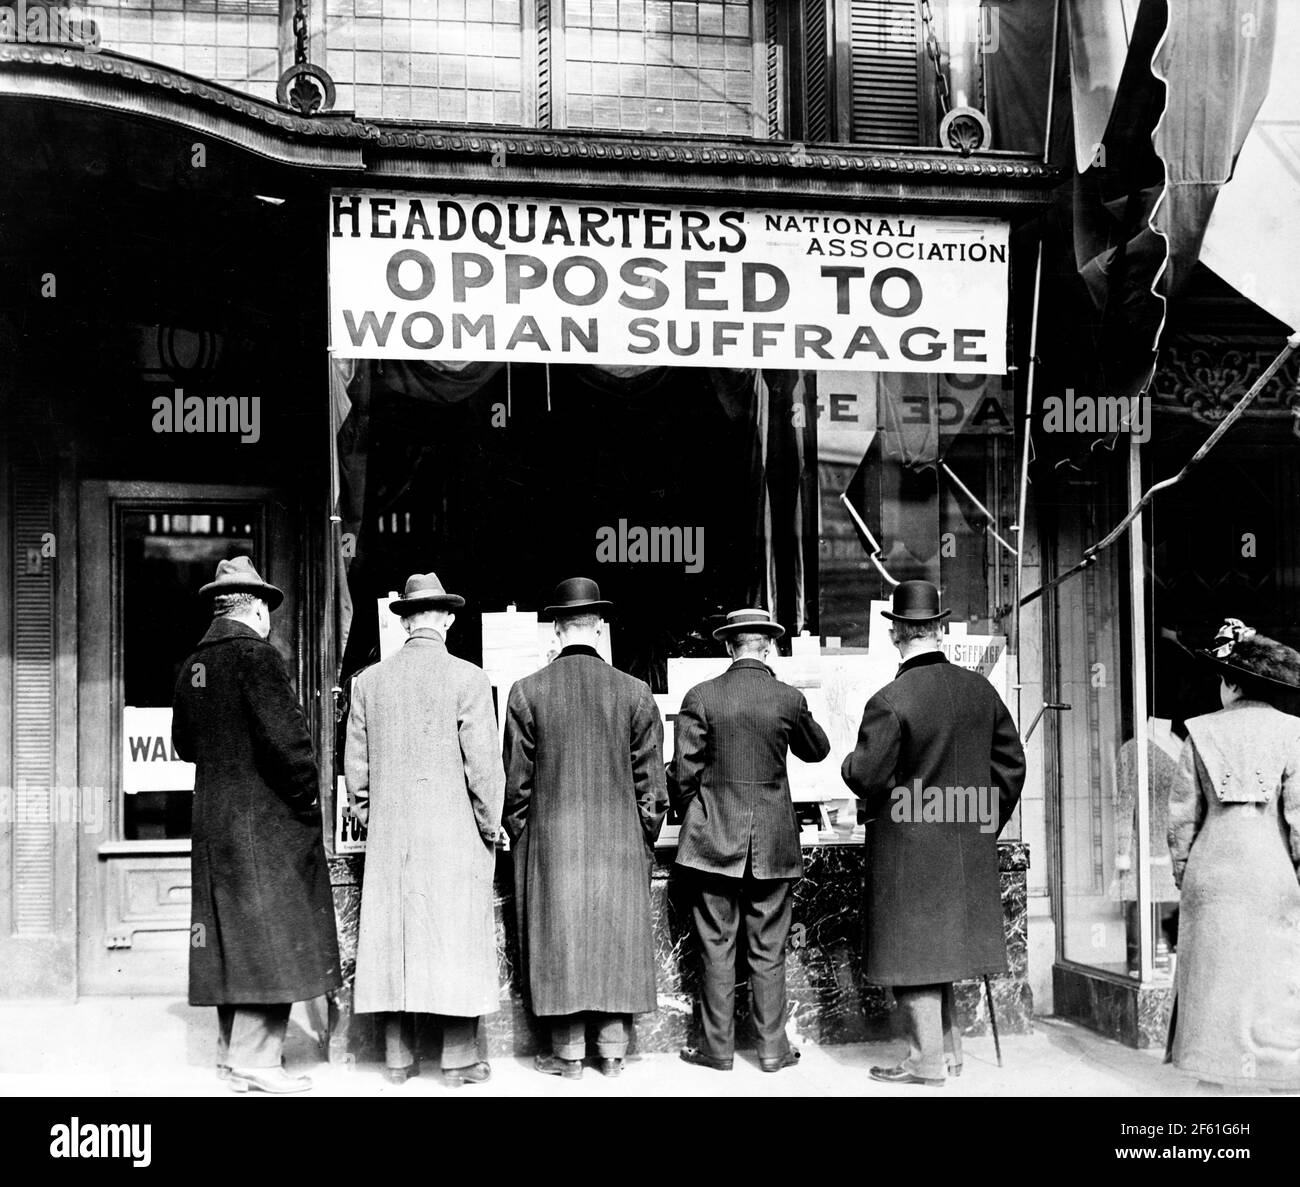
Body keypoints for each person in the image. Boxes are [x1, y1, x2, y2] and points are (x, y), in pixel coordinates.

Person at [840, 579, 1025, 1087]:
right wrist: (981, 823)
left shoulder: (890, 700)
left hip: (907, 847)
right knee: (944, 950)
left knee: (914, 954)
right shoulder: (979, 690)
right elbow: (1011, 766)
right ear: (941, 630)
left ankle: (925, 1063)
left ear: (896, 633)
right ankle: (952, 1055)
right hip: (965, 842)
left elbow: (867, 775)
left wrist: (847, 764)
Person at [171, 556, 341, 1094]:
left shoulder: (193, 664)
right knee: (272, 938)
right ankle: (257, 1063)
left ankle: (232, 1055)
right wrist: (306, 803)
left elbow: (183, 744)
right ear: (260, 610)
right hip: (265, 825)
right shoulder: (257, 657)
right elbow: (289, 746)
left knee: (229, 939)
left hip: (214, 822)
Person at [502, 577, 667, 1079]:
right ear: (599, 628)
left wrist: (526, 837)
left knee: (561, 942)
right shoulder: (635, 693)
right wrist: (641, 834)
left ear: (556, 629)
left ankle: (569, 1053)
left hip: (552, 845)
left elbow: (516, 787)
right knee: (615, 939)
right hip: (617, 843)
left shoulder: (527, 691)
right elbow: (653, 789)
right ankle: (613, 1052)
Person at [345, 572, 505, 1088]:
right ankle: (458, 1061)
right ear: (448, 619)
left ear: (405, 622)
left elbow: (357, 775)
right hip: (455, 838)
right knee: (455, 942)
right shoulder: (469, 679)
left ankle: (397, 1060)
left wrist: (378, 822)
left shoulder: (368, 682)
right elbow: (484, 770)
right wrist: (489, 827)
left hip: (392, 839)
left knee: (396, 946)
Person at [670, 608, 831, 1073]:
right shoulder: (786, 697)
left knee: (715, 947)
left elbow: (683, 775)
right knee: (768, 949)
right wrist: (790, 702)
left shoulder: (701, 696)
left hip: (711, 843)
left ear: (728, 646)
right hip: (774, 846)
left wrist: (694, 812)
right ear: (769, 648)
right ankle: (772, 1050)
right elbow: (816, 749)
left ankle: (717, 1051)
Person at [1166, 618, 1300, 1092]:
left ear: (1230, 684)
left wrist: (1185, 875)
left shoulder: (1198, 733)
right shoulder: (1293, 733)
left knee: (1214, 976)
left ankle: (1212, 1075)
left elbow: (1182, 819)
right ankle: (1280, 1074)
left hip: (1212, 872)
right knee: (1275, 973)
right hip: (1272, 870)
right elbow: (1299, 818)